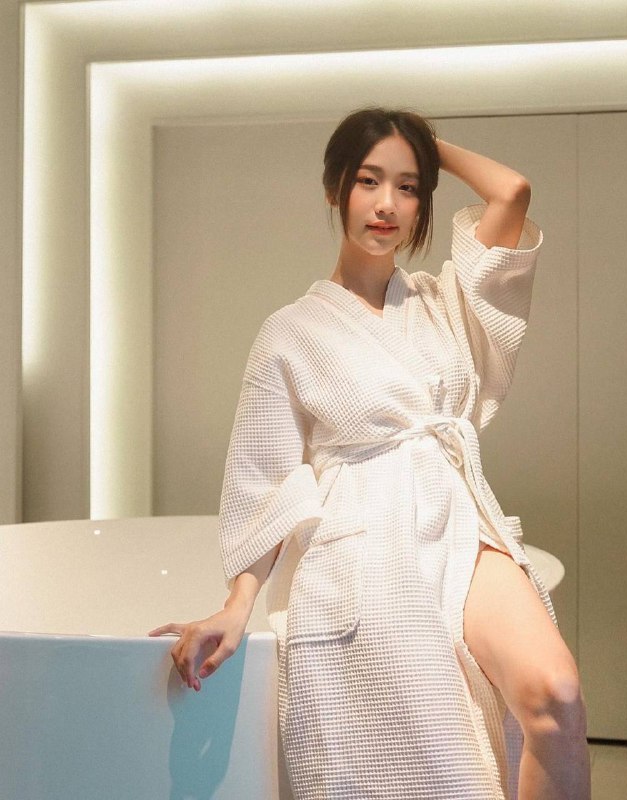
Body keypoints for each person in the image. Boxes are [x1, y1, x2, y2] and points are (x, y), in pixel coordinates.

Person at [150, 107, 590, 799]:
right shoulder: (289, 333)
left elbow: (511, 192)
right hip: (362, 544)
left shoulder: (445, 303)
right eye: (368, 181)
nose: (387, 204)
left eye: (408, 187)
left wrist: (422, 141)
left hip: (458, 521)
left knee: (556, 695)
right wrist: (236, 606)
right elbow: (267, 478)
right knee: (427, 758)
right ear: (336, 190)